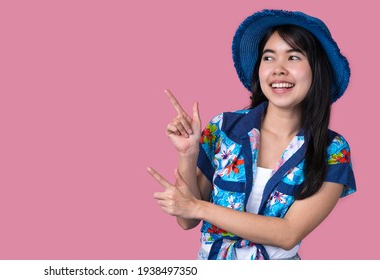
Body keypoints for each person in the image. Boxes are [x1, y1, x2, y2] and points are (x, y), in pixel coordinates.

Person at [147, 9, 356, 260]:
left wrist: (199, 208)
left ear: (316, 70)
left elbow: (288, 233)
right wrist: (188, 154)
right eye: (268, 58)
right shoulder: (223, 128)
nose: (278, 69)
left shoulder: (332, 150)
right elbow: (186, 221)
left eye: (293, 57)